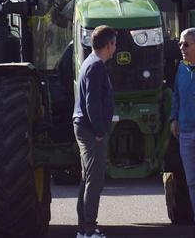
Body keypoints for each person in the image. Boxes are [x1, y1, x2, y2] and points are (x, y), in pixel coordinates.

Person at [73, 25, 116, 238]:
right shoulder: (96, 66)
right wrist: (99, 130)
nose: (115, 47)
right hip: (91, 129)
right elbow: (92, 103)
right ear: (109, 45)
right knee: (95, 179)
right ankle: (89, 230)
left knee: (87, 177)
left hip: (85, 126)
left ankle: (83, 229)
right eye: (114, 43)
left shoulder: (90, 63)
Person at [169, 28, 195, 236]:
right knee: (193, 181)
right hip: (185, 132)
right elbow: (176, 95)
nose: (181, 48)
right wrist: (174, 118)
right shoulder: (181, 69)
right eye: (180, 44)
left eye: (186, 44)